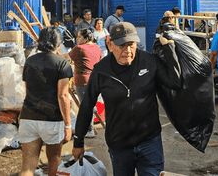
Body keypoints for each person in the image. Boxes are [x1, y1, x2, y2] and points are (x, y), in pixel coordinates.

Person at [72, 22, 182, 176]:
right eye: (121, 45)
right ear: (110, 45)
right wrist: (78, 142)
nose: (127, 51)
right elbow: (87, 105)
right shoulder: (101, 71)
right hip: (119, 146)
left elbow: (174, 82)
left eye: (131, 45)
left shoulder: (149, 62)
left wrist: (169, 49)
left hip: (149, 142)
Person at [19, 27, 73, 176]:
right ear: (58, 44)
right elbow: (63, 96)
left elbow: (27, 91)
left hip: (28, 117)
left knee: (28, 165)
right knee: (54, 159)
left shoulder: (29, 61)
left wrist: (21, 114)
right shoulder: (62, 63)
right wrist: (68, 125)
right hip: (52, 120)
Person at [68, 28, 102, 138]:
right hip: (95, 81)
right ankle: (89, 127)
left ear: (86, 38)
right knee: (89, 104)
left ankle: (89, 130)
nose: (77, 39)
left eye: (79, 37)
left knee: (86, 107)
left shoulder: (79, 49)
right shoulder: (97, 48)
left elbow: (65, 58)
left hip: (82, 81)